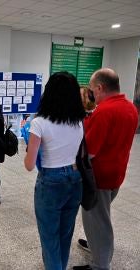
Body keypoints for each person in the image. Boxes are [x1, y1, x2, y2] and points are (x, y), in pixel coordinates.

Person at [73, 68, 138, 270]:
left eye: (92, 90)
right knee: (99, 218)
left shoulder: (104, 111)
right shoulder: (131, 108)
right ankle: (96, 246)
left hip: (98, 178)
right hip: (117, 174)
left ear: (100, 87)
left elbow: (89, 152)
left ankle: (100, 264)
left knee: (99, 222)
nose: (91, 94)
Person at [24, 72, 86, 270]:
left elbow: (29, 164)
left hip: (51, 181)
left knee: (50, 238)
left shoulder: (38, 123)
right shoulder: (78, 122)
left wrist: (28, 141)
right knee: (65, 234)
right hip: (76, 179)